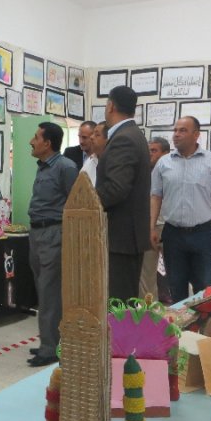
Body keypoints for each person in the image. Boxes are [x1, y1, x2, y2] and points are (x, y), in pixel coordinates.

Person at [150, 116, 211, 302]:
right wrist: (151, 227)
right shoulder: (164, 163)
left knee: (205, 289)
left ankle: (203, 322)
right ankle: (180, 322)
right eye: (175, 130)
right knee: (176, 288)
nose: (176, 135)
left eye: (182, 130)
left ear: (196, 135)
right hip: (173, 235)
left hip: (202, 235)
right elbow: (155, 197)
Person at [27, 122, 79, 367]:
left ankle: (50, 349)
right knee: (43, 289)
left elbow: (75, 204)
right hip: (36, 233)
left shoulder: (66, 167)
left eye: (36, 137)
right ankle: (49, 341)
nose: (31, 141)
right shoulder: (43, 167)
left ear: (47, 143)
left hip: (54, 233)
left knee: (50, 291)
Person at [96, 86, 151, 301]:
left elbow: (116, 188)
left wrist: (88, 202)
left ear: (110, 106)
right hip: (127, 238)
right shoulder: (133, 134)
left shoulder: (123, 138)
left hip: (121, 239)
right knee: (123, 303)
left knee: (119, 304)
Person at [138, 136, 170, 301]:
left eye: (154, 150)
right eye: (148, 150)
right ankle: (149, 312)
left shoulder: (173, 172)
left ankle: (187, 310)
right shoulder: (142, 172)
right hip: (150, 227)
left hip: (170, 226)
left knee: (178, 273)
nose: (149, 154)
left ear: (166, 153)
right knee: (147, 275)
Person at [80, 121, 107, 186]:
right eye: (93, 134)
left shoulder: (114, 165)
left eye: (97, 135)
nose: (91, 137)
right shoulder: (90, 160)